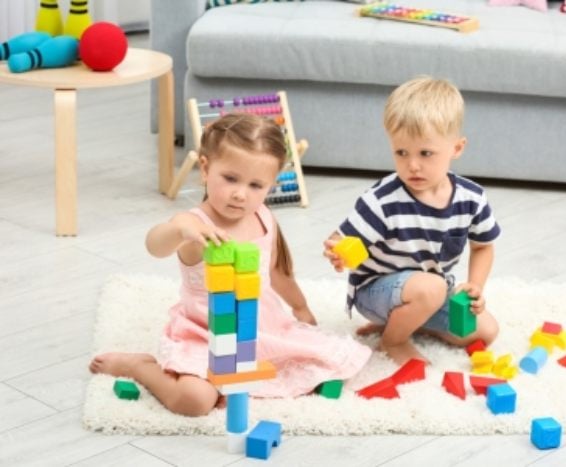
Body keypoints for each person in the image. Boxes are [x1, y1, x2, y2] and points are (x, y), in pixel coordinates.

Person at [90, 113, 371, 416]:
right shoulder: (194, 225)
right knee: (194, 401)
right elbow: (154, 245)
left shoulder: (263, 216)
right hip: (206, 334)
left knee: (334, 362)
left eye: (255, 185)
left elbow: (276, 272)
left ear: (271, 185)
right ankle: (141, 367)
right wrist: (179, 230)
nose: (240, 193)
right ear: (206, 169)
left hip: (261, 327)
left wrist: (300, 308)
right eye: (230, 178)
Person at [323, 77, 500, 365]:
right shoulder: (382, 199)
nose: (412, 165)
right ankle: (392, 340)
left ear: (457, 148)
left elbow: (483, 247)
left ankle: (406, 321)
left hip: (430, 290)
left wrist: (476, 285)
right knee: (431, 288)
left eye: (425, 153)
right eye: (401, 152)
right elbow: (343, 238)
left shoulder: (472, 198)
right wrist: (336, 249)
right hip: (375, 291)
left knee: (485, 332)